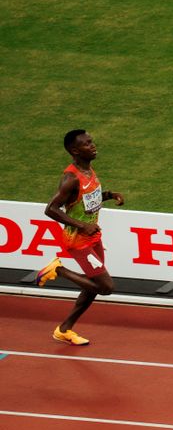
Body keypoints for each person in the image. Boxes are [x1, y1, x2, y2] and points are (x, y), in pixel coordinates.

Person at [37, 129, 124, 346]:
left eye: (92, 142)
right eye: (87, 144)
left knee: (92, 286)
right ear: (75, 151)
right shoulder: (70, 178)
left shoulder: (88, 170)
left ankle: (64, 330)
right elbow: (51, 209)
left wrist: (109, 196)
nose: (93, 146)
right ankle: (58, 269)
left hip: (92, 237)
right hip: (78, 241)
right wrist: (81, 225)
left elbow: (86, 202)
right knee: (105, 287)